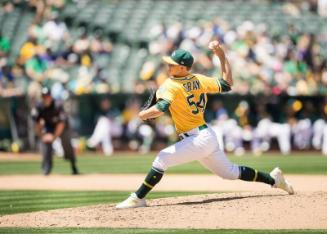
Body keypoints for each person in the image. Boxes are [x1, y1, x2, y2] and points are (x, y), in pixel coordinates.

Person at [116, 41, 294, 209]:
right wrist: (222, 56)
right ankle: (273, 180)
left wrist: (143, 114)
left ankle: (138, 198)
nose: (168, 66)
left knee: (162, 158)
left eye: (172, 64)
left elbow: (162, 108)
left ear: (183, 67)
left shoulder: (170, 85)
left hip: (197, 138)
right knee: (229, 173)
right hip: (206, 135)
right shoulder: (198, 79)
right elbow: (227, 84)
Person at [31, 87, 79, 175]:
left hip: (63, 127)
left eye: (47, 96)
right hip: (50, 127)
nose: (46, 98)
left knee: (67, 143)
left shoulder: (58, 105)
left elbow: (61, 124)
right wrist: (42, 136)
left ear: (51, 96)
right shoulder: (39, 106)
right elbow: (36, 124)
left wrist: (54, 137)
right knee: (46, 142)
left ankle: (73, 165)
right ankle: (46, 167)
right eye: (44, 96)